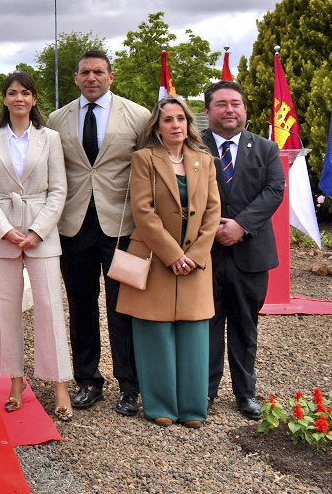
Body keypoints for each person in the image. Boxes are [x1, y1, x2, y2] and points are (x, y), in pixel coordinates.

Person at [46, 51, 150, 416]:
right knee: (82, 306)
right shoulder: (57, 120)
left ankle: (129, 384)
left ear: (111, 76)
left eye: (99, 72)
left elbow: (150, 169)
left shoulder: (138, 116)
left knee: (123, 307)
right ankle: (88, 380)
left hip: (121, 226)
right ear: (75, 78)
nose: (92, 77)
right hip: (74, 226)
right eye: (85, 72)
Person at [116, 96, 220, 428]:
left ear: (189, 124)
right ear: (157, 128)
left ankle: (192, 409)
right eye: (167, 120)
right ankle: (159, 405)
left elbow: (213, 212)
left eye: (180, 119)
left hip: (196, 261)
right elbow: (142, 212)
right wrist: (173, 255)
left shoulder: (205, 161)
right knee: (154, 332)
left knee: (194, 334)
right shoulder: (143, 159)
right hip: (155, 257)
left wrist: (195, 255)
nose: (175, 125)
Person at [0, 71, 73, 418]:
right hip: (2, 235)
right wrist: (3, 230)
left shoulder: (50, 138)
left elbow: (58, 190)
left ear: (34, 99)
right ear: (4, 99)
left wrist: (37, 230)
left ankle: (60, 384)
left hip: (42, 234)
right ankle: (15, 381)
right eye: (12, 93)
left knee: (49, 309)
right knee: (5, 312)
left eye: (25, 93)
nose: (19, 98)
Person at [202, 80, 285, 419]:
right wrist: (213, 229)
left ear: (245, 109)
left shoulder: (265, 149)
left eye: (235, 103)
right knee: (205, 325)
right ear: (207, 112)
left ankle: (245, 393)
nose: (229, 110)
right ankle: (204, 392)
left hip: (250, 253)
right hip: (204, 254)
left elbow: (274, 190)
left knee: (244, 325)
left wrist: (240, 226)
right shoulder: (193, 148)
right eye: (221, 104)